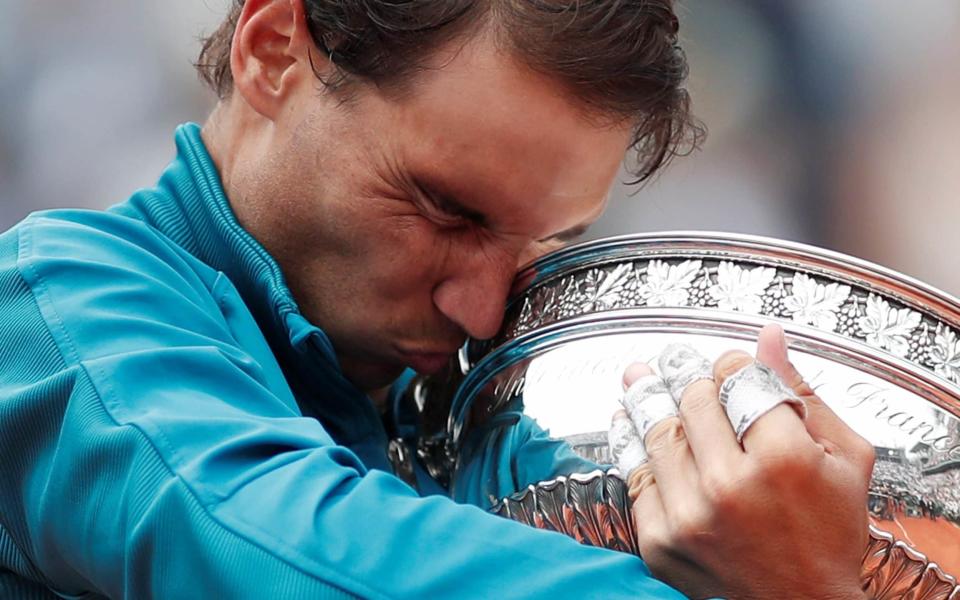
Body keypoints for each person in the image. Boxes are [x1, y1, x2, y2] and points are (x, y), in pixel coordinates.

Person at [0, 1, 873, 598]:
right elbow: (284, 561)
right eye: (447, 210)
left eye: (544, 244)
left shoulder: (478, 414)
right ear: (272, 52)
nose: (484, 310)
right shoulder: (55, 305)